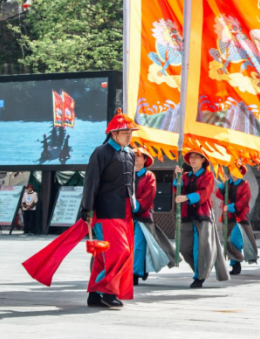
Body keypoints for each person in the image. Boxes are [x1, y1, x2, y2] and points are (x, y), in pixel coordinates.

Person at [81, 109, 139, 308]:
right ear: (113, 133)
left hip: (125, 212)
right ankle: (107, 291)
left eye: (131, 132)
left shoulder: (130, 153)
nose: (129, 135)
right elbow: (91, 182)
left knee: (105, 257)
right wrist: (87, 209)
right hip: (105, 211)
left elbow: (131, 183)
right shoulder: (101, 152)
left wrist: (134, 204)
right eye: (125, 132)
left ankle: (94, 295)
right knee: (119, 252)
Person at [174, 150, 229, 288]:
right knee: (184, 248)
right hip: (187, 216)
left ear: (203, 160)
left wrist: (187, 197)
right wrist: (177, 177)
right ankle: (201, 269)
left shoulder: (208, 175)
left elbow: (205, 192)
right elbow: (178, 190)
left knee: (201, 248)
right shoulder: (185, 176)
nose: (192, 160)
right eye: (191, 157)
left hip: (202, 215)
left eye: (196, 157)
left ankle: (199, 276)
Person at [133, 145, 177, 285]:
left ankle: (135, 273)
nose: (135, 157)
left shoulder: (149, 176)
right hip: (126, 216)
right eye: (134, 155)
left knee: (139, 245)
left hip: (143, 216)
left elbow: (148, 196)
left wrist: (134, 206)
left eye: (139, 155)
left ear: (145, 159)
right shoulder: (126, 175)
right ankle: (138, 269)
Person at [215, 162, 258, 276]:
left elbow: (244, 200)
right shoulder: (227, 183)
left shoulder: (245, 184)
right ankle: (235, 261)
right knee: (227, 240)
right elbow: (219, 195)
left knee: (235, 239)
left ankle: (236, 262)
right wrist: (223, 185)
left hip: (240, 216)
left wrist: (231, 207)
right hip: (228, 216)